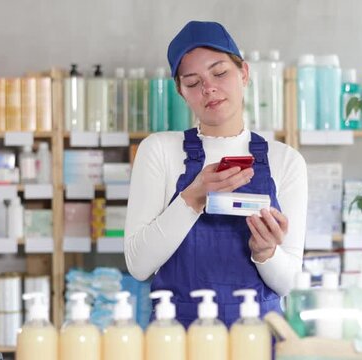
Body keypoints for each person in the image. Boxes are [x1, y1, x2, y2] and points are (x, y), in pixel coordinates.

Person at [124, 20, 307, 328]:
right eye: (193, 82)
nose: (208, 88)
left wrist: (265, 252)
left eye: (220, 72)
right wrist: (192, 198)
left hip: (257, 341)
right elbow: (139, 266)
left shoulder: (285, 161)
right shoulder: (160, 151)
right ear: (181, 92)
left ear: (244, 73)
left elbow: (290, 283)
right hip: (176, 342)